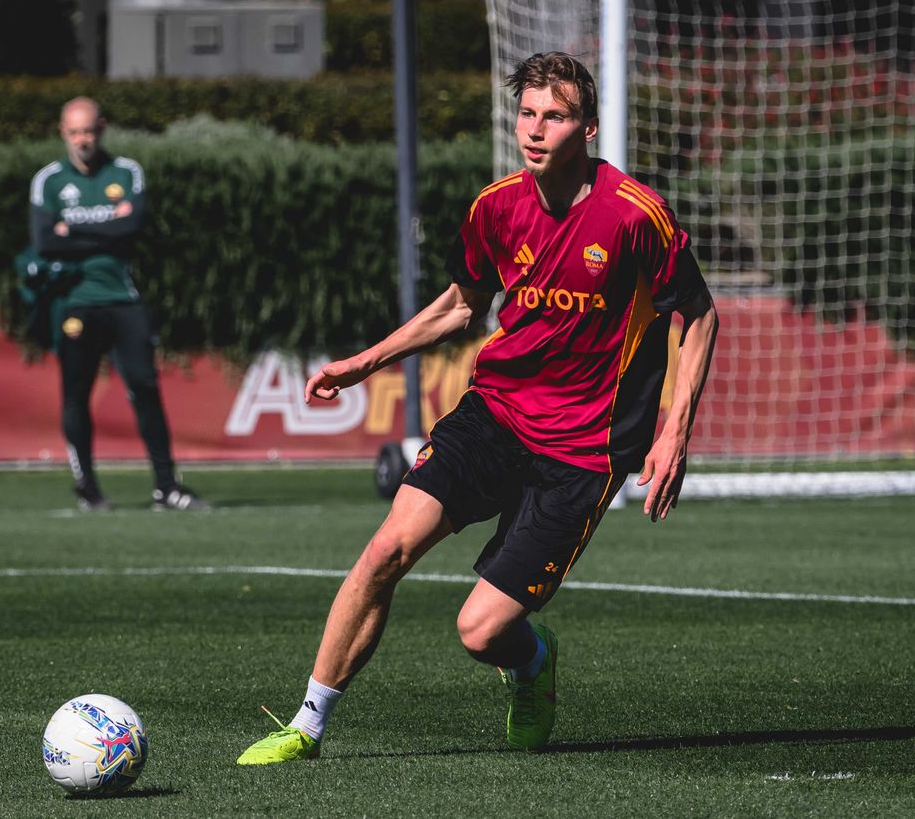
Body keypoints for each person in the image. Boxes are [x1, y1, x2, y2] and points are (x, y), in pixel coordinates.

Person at [236, 52, 720, 764]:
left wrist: (674, 430)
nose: (535, 128)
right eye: (527, 113)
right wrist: (362, 364)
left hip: (582, 452)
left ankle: (531, 665)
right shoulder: (495, 207)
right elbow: (460, 306)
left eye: (553, 115)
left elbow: (700, 315)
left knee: (479, 632)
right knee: (384, 551)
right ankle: (306, 726)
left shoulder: (634, 216)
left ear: (586, 127)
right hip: (493, 416)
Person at [28, 96, 208, 513]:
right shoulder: (49, 181)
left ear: (102, 128)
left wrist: (71, 229)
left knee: (145, 387)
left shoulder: (126, 172)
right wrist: (108, 226)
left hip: (122, 299)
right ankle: (87, 488)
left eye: (89, 131)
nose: (82, 140)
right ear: (63, 133)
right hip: (74, 303)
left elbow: (133, 228)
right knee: (76, 394)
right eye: (74, 132)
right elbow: (45, 241)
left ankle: (167, 488)